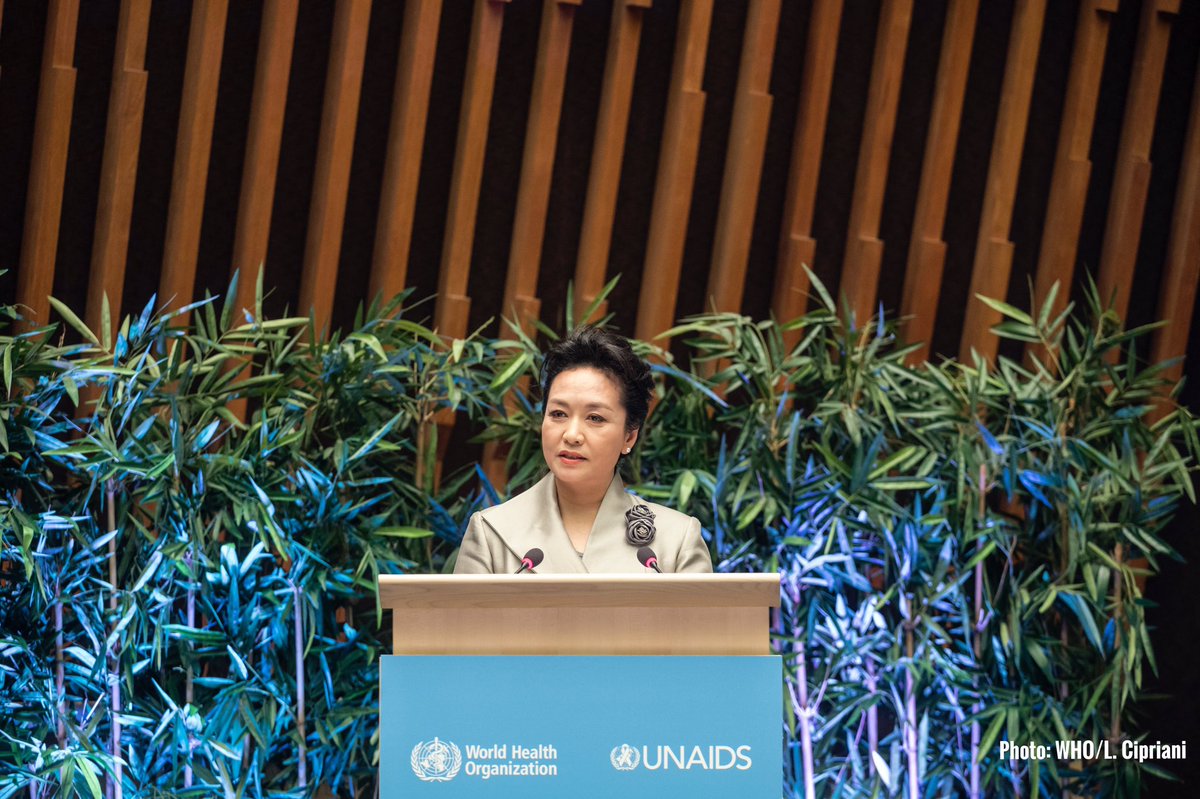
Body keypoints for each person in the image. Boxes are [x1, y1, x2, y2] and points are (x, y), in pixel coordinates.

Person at [454, 326, 713, 573]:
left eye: (595, 418)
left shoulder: (677, 542)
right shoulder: (491, 533)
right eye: (558, 414)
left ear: (629, 437)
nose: (572, 435)